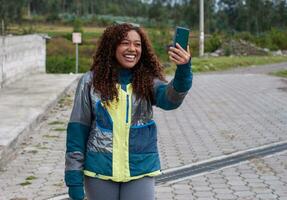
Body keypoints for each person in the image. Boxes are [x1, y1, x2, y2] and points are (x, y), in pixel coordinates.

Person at [65, 23, 192, 200]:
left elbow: (171, 100)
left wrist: (184, 70)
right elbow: (77, 131)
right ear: (112, 46)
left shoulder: (147, 81)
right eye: (125, 43)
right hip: (99, 171)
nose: (132, 48)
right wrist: (74, 178)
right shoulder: (89, 82)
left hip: (140, 168)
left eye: (137, 44)